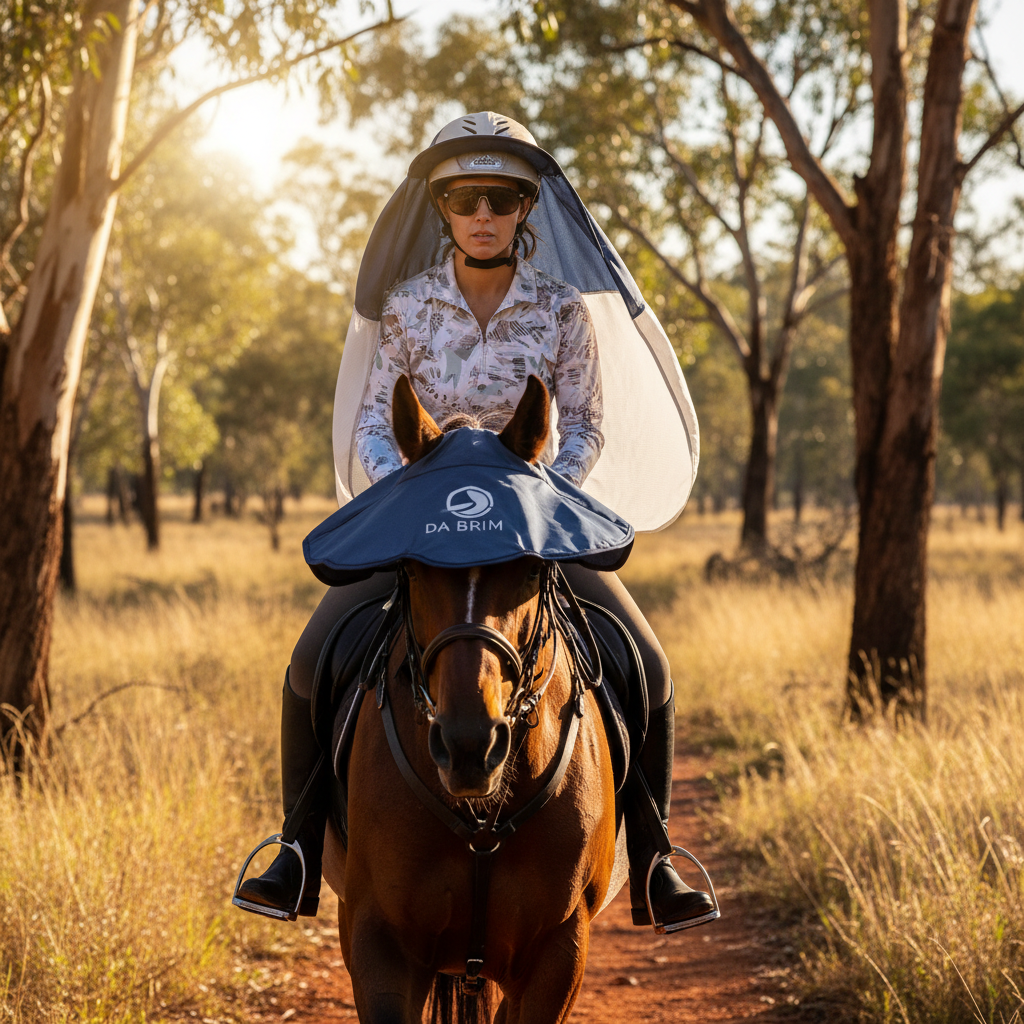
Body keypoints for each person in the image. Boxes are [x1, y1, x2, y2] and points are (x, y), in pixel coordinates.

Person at [235, 112, 715, 931]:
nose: (482, 213)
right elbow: (370, 427)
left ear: (525, 206)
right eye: (464, 198)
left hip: (529, 529)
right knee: (311, 661)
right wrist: (408, 501)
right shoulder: (408, 307)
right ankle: (298, 852)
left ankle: (658, 860)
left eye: (500, 197)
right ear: (443, 208)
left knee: (651, 665)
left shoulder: (562, 310)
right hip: (425, 527)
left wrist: (542, 503)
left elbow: (589, 423)